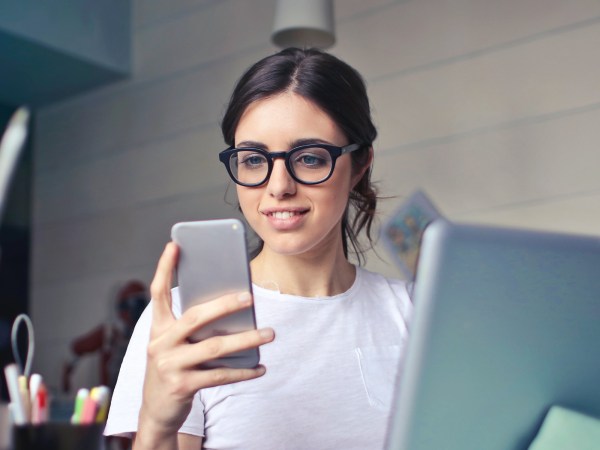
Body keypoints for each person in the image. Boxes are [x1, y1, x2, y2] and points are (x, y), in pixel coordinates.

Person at [105, 47, 412, 450]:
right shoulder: (185, 322)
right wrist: (157, 424)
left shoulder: (413, 313)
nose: (278, 186)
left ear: (359, 165)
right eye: (253, 159)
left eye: (309, 158)